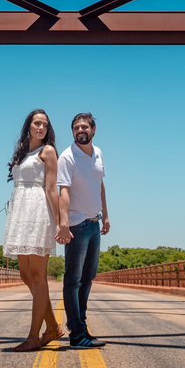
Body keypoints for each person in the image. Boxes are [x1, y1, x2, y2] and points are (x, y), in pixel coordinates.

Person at [2, 109, 64, 352]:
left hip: (38, 212)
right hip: (20, 214)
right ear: (28, 125)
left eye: (45, 125)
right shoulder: (21, 151)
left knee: (38, 275)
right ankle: (52, 326)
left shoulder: (47, 152)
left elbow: (51, 188)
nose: (41, 128)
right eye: (37, 123)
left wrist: (60, 222)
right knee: (26, 275)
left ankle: (32, 337)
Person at [56, 112, 108, 350]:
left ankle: (81, 326)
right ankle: (76, 334)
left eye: (84, 126)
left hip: (94, 224)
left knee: (88, 279)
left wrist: (105, 215)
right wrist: (63, 223)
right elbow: (63, 192)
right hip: (77, 225)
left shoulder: (98, 153)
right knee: (73, 280)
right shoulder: (67, 157)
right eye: (76, 127)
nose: (80, 130)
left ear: (93, 129)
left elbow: (100, 185)